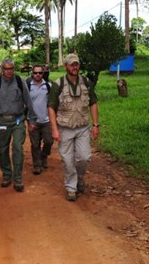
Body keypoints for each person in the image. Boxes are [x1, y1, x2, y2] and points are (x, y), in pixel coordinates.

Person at [48, 53, 99, 202]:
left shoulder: (86, 82)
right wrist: (54, 129)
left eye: (76, 64)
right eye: (71, 64)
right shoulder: (58, 84)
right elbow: (51, 107)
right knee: (68, 161)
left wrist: (96, 125)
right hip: (64, 128)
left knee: (84, 158)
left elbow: (93, 103)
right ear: (66, 66)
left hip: (82, 127)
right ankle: (71, 187)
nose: (74, 67)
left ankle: (80, 179)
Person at [0, 58, 36, 192]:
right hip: (1, 121)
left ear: (14, 69)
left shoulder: (20, 82)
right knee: (2, 149)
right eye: (6, 69)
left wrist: (31, 120)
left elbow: (28, 101)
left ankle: (18, 178)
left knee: (17, 147)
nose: (8, 71)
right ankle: (7, 175)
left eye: (11, 68)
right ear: (2, 69)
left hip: (17, 120)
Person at [27, 64, 54, 174]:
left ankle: (44, 156)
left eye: (40, 73)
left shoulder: (48, 85)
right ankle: (37, 164)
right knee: (35, 144)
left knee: (49, 141)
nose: (37, 75)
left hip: (46, 120)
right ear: (32, 73)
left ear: (43, 74)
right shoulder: (28, 86)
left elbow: (53, 103)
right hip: (33, 120)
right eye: (35, 73)